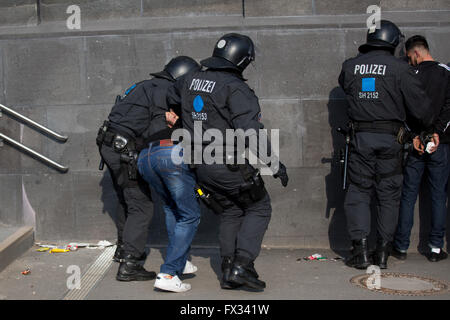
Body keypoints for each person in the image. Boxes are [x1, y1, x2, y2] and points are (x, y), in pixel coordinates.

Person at [165, 33, 289, 290]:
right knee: (259, 207)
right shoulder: (236, 88)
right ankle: (241, 266)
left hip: (198, 164)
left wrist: (184, 121)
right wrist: (274, 164)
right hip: (226, 162)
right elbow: (250, 131)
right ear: (242, 61)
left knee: (232, 210)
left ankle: (228, 268)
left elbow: (171, 95)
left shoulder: (189, 79)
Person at [338, 20, 433, 269]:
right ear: (393, 41)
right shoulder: (400, 69)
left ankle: (360, 251)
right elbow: (421, 108)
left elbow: (345, 87)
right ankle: (382, 252)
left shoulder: (350, 66)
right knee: (388, 195)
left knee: (359, 192)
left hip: (360, 138)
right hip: (391, 140)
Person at [96, 56, 199, 281]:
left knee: (127, 200)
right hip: (126, 150)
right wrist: (173, 127)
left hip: (109, 144)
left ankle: (124, 249)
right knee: (141, 206)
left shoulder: (145, 85)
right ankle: (130, 264)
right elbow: (156, 133)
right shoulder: (165, 91)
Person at [137, 57, 202, 293]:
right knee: (190, 215)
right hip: (170, 154)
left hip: (146, 156)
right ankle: (168, 272)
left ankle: (180, 261)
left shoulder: (152, 92)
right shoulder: (180, 93)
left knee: (171, 209)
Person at [392, 35, 450, 263]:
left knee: (408, 195)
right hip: (441, 144)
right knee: (438, 196)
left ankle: (401, 246)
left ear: (415, 53)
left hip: (415, 144)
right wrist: (437, 133)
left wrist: (415, 135)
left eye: (408, 57)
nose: (408, 62)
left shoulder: (409, 75)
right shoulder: (445, 72)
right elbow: (449, 107)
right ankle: (435, 248)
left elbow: (403, 110)